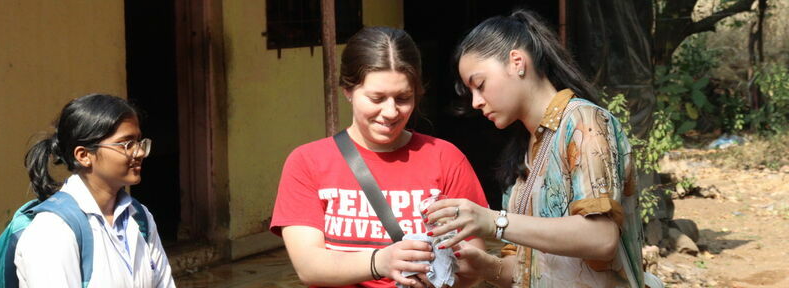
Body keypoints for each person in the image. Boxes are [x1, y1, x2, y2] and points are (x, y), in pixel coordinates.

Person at [424, 9, 644, 287]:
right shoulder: (524, 151)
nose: (476, 102)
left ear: (517, 61)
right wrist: (483, 266)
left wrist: (493, 221)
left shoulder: (584, 121)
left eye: (480, 85)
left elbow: (601, 238)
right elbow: (524, 270)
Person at [270, 27, 489, 288]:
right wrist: (381, 262)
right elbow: (309, 266)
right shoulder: (307, 162)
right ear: (347, 91)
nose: (390, 111)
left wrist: (442, 273)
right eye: (376, 98)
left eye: (403, 98)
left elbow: (473, 265)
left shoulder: (446, 159)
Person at [15, 94, 175, 287]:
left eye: (139, 142)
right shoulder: (52, 230)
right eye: (127, 144)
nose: (139, 152)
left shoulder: (140, 218)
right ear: (84, 155)